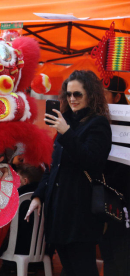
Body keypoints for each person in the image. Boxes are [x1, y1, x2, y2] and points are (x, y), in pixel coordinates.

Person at [25, 70, 112, 276]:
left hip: (80, 213)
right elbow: (53, 165)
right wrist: (39, 195)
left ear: (90, 94)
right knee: (69, 267)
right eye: (69, 94)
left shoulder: (97, 124)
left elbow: (92, 161)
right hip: (59, 212)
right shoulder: (66, 122)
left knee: (82, 268)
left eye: (78, 94)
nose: (72, 99)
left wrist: (66, 133)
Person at [99, 75, 130, 276]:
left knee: (120, 254)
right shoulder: (100, 121)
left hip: (122, 197)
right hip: (104, 196)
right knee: (107, 251)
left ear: (117, 97)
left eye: (104, 95)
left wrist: (104, 184)